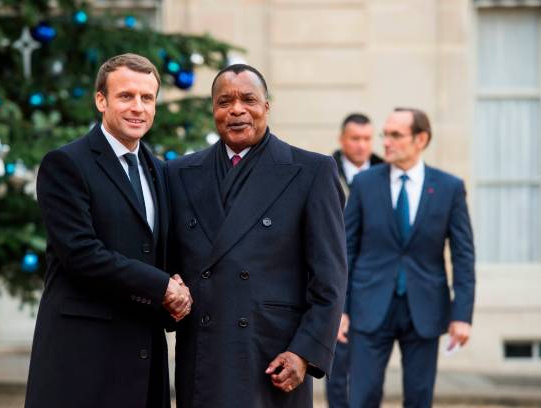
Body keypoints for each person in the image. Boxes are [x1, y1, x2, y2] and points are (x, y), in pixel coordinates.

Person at [166, 64, 347, 408]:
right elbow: (169, 263)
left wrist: (304, 353)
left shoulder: (311, 172)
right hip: (204, 355)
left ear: (266, 106)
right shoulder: (178, 173)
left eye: (248, 99)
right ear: (213, 110)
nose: (236, 110)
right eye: (224, 102)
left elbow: (330, 279)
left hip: (275, 357)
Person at [24, 53, 192, 408]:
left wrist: (177, 293)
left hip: (144, 358)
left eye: (147, 98)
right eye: (126, 96)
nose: (138, 107)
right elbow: (81, 253)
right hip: (84, 358)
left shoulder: (159, 170)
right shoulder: (66, 164)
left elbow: (156, 251)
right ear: (101, 100)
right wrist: (162, 286)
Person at [345, 108, 475, 408]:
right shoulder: (365, 184)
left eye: (395, 135)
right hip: (369, 306)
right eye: (385, 134)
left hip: (425, 309)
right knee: (361, 397)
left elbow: (463, 256)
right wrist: (341, 308)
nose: (386, 142)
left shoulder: (449, 188)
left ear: (421, 139)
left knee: (419, 398)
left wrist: (462, 315)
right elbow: (345, 249)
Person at [327, 113, 383, 408]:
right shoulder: (325, 171)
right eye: (355, 139)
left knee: (371, 374)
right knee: (337, 371)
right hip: (337, 278)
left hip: (375, 283)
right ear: (342, 139)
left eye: (367, 139)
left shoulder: (387, 173)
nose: (362, 146)